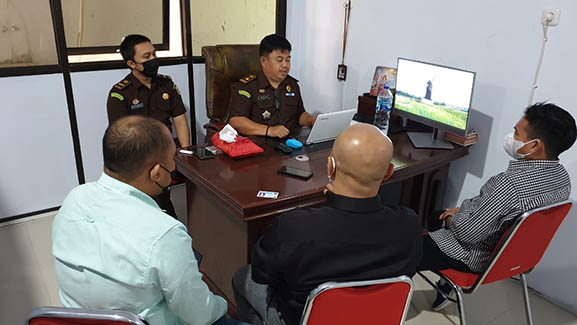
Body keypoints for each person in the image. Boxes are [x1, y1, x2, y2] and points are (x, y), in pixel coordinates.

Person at [52, 116, 241, 325]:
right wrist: (223, 305)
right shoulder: (165, 233)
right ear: (157, 173)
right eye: (172, 161)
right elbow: (200, 316)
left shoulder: (74, 198)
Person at [232, 124, 423, 325]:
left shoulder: (295, 226)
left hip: (299, 318)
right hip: (369, 319)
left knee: (242, 277)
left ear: (330, 166)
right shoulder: (409, 225)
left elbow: (262, 274)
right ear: (389, 172)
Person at [420, 102, 576, 311]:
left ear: (534, 145)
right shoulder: (562, 178)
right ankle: (446, 285)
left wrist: (451, 218)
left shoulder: (509, 184)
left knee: (406, 246)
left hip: (474, 256)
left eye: (516, 133)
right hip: (512, 258)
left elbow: (467, 233)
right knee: (435, 216)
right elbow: (501, 211)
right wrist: (464, 211)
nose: (511, 137)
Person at [106, 34, 191, 218]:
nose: (153, 60)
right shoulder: (120, 94)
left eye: (154, 54)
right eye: (146, 57)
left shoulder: (166, 85)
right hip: (138, 161)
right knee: (150, 208)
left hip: (166, 153)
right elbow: (121, 140)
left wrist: (185, 152)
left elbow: (180, 119)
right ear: (131, 64)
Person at [228, 34, 316, 138]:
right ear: (263, 61)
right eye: (279, 60)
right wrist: (269, 130)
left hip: (289, 143)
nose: (285, 65)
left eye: (287, 60)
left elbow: (299, 115)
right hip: (260, 145)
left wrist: (312, 120)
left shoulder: (292, 85)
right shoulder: (248, 86)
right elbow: (236, 120)